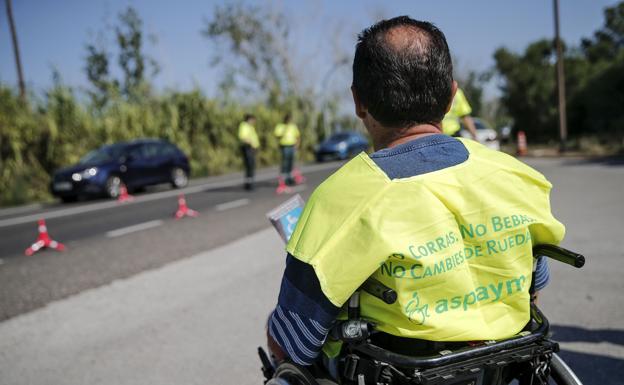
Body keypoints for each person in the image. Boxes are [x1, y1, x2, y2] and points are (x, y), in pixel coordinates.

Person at [266, 16, 565, 372]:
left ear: (359, 102)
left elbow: (294, 342)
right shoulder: (518, 176)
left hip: (393, 371)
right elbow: (533, 290)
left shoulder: (340, 198)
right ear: (452, 96)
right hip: (503, 367)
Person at [274, 113, 300, 192]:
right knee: (285, 164)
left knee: (291, 163)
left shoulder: (293, 126)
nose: (290, 121)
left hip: (292, 146)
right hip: (284, 146)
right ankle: (283, 180)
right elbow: (277, 135)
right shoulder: (280, 126)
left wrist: (297, 144)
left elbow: (297, 136)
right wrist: (284, 129)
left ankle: (290, 179)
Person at [238, 114, 259, 190]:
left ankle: (250, 183)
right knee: (250, 166)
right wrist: (251, 144)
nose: (254, 122)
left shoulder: (250, 127)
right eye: (253, 120)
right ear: (249, 119)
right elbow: (243, 137)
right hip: (248, 148)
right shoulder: (244, 126)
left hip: (251, 148)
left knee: (251, 166)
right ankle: (249, 184)